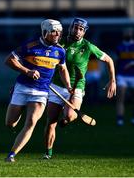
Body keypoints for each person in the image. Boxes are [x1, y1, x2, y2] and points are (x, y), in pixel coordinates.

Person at [44, 17, 116, 159]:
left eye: (81, 29)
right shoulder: (60, 42)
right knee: (51, 122)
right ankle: (48, 153)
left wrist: (112, 80)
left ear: (84, 32)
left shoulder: (88, 47)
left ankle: (65, 119)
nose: (77, 31)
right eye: (75, 28)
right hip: (57, 86)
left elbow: (109, 60)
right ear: (70, 28)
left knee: (69, 115)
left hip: (77, 87)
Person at [4, 19, 72, 162]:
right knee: (10, 123)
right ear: (45, 32)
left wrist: (68, 86)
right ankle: (19, 107)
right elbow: (9, 60)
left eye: (59, 32)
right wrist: (27, 71)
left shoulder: (60, 51)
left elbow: (63, 69)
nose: (58, 35)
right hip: (22, 88)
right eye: (54, 32)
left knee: (31, 123)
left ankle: (11, 154)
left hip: (41, 93)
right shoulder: (30, 45)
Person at [116, 28, 134, 126]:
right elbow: (117, 61)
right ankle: (120, 119)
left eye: (129, 31)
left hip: (133, 75)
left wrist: (132, 63)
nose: (127, 33)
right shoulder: (120, 46)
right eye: (126, 31)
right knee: (120, 97)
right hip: (122, 75)